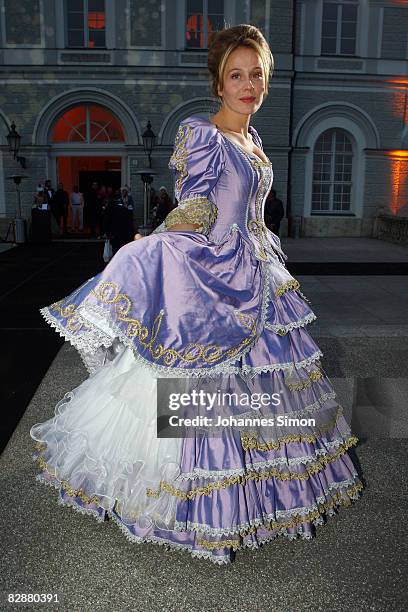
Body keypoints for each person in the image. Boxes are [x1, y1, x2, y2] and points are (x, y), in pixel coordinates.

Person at [30, 25, 363, 565]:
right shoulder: (203, 136)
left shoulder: (253, 141)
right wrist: (159, 240)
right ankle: (193, 504)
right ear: (218, 82)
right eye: (237, 75)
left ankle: (262, 493)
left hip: (261, 273)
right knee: (202, 387)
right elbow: (200, 208)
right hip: (219, 274)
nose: (248, 84)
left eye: (257, 74)